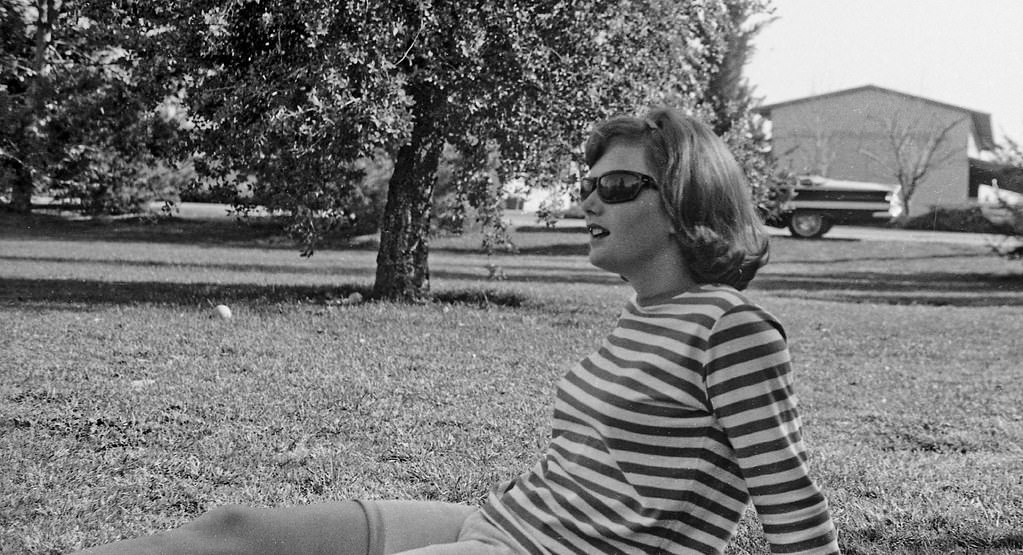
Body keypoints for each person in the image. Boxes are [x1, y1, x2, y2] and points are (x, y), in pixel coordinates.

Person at [72, 108, 839, 555]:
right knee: (232, 528)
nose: (586, 202)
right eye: (586, 184)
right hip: (500, 520)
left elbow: (795, 510)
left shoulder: (732, 329)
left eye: (613, 185)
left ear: (681, 200)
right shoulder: (644, 314)